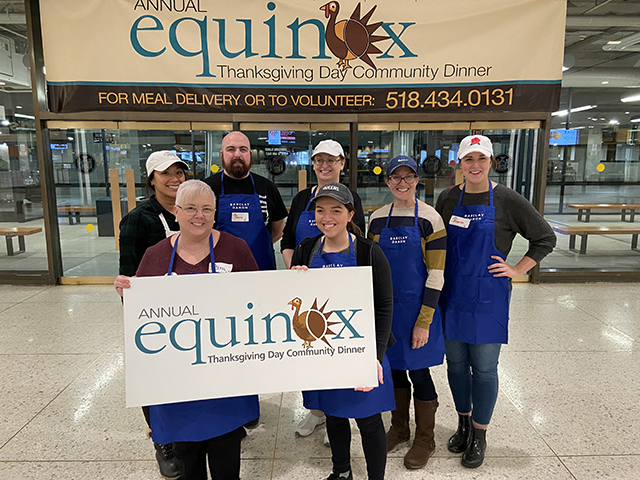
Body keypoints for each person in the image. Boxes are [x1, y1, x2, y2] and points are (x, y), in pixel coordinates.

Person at [117, 180, 260, 480]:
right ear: (176, 212)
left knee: (226, 467)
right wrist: (128, 294)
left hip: (224, 385)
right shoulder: (155, 256)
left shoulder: (236, 249)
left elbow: (259, 304)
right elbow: (143, 319)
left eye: (207, 209)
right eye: (191, 208)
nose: (200, 215)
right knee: (189, 467)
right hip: (177, 388)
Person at [435, 135, 556, 468]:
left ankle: (480, 433)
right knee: (456, 365)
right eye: (468, 159)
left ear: (491, 162)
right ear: (459, 163)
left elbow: (545, 237)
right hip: (452, 294)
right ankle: (462, 422)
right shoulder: (447, 198)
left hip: (489, 297)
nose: (475, 166)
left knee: (485, 369)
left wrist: (517, 268)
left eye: (481, 159)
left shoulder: (506, 199)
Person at [291, 183, 394, 480]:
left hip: (363, 351)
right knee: (334, 416)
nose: (327, 217)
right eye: (320, 210)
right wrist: (295, 282)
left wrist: (374, 356)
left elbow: (385, 306)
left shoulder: (368, 251)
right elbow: (293, 305)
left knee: (369, 420)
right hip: (323, 352)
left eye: (336, 210)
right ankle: (342, 471)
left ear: (350, 214)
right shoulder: (306, 250)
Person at [281, 139, 365, 438]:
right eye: (319, 160)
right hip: (307, 290)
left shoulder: (351, 197)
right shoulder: (303, 198)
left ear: (343, 163)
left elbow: (360, 245)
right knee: (311, 353)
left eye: (331, 160)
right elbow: (288, 240)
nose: (325, 166)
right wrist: (296, 271)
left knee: (338, 350)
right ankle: (317, 411)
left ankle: (338, 414)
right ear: (313, 163)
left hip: (342, 291)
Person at [368, 155, 447, 470]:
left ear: (417, 180)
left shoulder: (431, 218)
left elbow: (437, 273)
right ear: (387, 182)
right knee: (396, 371)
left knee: (419, 373)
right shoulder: (376, 219)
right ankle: (399, 427)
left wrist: (423, 322)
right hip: (389, 312)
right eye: (395, 177)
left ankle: (425, 438)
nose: (402, 183)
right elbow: (371, 269)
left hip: (418, 311)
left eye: (408, 177)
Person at [116, 150, 188, 480]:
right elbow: (128, 277)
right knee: (155, 381)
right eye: (166, 173)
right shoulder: (138, 219)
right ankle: (163, 442)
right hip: (156, 317)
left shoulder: (190, 213)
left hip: (193, 312)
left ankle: (190, 430)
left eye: (179, 172)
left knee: (186, 375)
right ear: (151, 180)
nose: (174, 178)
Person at [204, 131, 288, 271]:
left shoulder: (267, 187)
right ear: (222, 154)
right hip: (219, 271)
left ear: (250, 154)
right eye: (231, 149)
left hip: (261, 269)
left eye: (243, 149)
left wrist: (257, 246)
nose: (237, 154)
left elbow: (278, 229)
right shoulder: (207, 189)